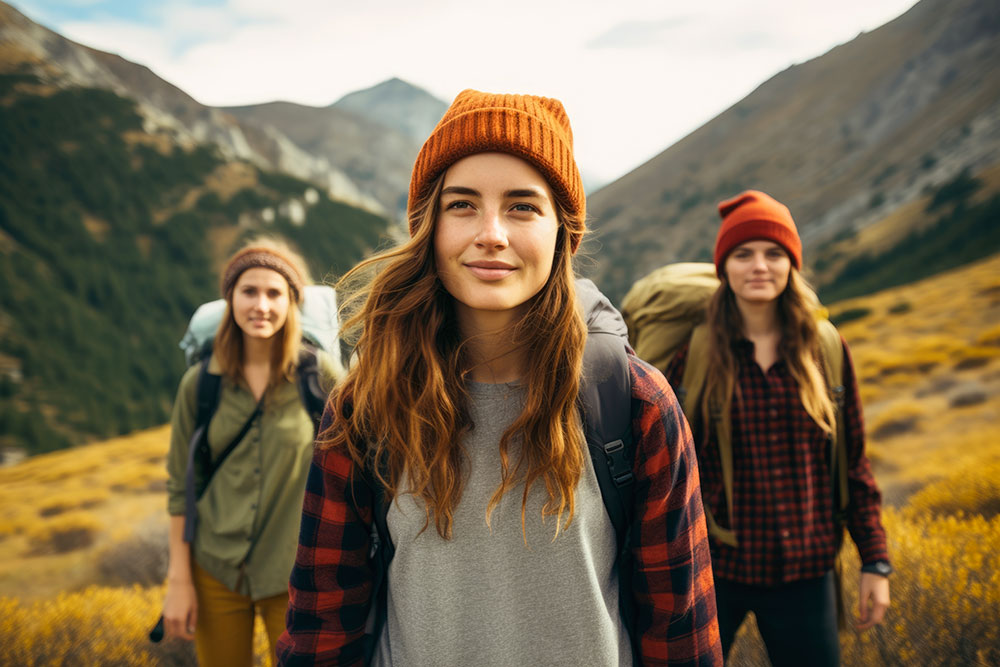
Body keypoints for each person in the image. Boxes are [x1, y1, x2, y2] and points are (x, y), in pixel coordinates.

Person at [276, 90, 723, 666]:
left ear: (563, 231)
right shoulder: (369, 403)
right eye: (461, 205)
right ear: (428, 227)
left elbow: (681, 627)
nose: (492, 232)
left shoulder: (633, 402)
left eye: (522, 206)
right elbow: (320, 624)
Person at [664, 191, 891, 666]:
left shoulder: (825, 349)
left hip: (806, 574)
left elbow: (853, 464)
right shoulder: (698, 355)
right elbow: (672, 469)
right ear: (724, 267)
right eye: (743, 254)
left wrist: (875, 561)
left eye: (774, 253)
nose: (759, 266)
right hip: (716, 570)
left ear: (792, 263)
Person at [162, 238, 340, 666]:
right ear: (231, 299)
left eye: (274, 293)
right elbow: (180, 488)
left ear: (291, 303)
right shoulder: (200, 384)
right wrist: (179, 580)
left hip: (297, 575)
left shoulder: (321, 377)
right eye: (249, 291)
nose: (261, 305)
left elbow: (359, 464)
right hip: (214, 570)